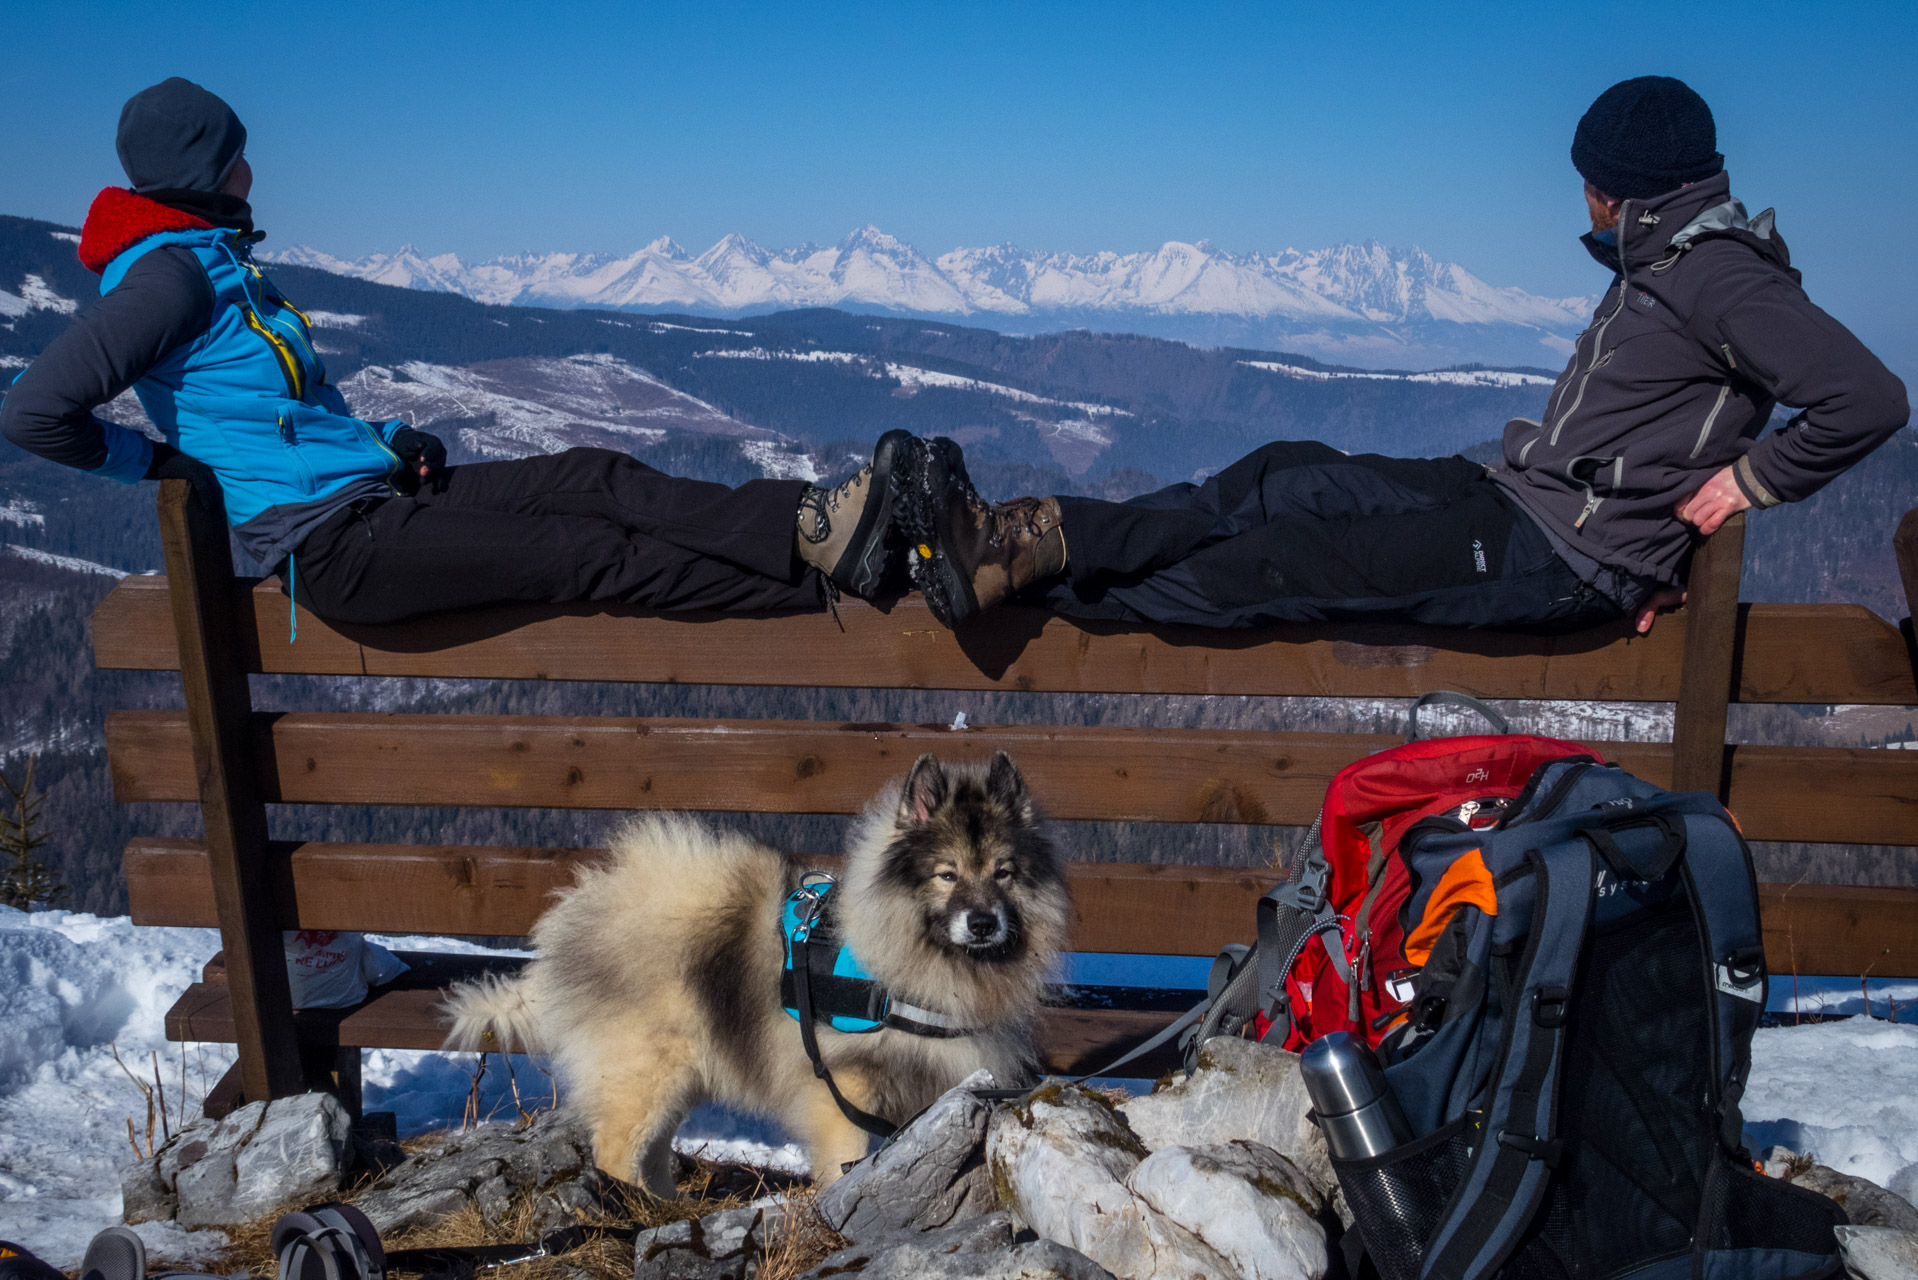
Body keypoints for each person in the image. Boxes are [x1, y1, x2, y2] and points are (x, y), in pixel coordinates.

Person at [903, 76, 1910, 635]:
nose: (1582, 203)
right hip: (1514, 498)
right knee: (1279, 472)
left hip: (1554, 555)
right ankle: (1029, 538)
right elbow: (1666, 429)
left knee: (1276, 562)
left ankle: (1032, 591)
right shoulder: (1670, 257)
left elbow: (1866, 399)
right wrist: (1672, 516)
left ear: (1621, 188)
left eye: (1588, 184)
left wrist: (1738, 487)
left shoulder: (1720, 274)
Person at [0, 79, 904, 625]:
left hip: (369, 498)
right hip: (336, 548)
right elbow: (34, 412)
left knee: (596, 475)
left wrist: (387, 434)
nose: (252, 169)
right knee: (584, 551)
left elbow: (282, 414)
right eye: (238, 156)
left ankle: (814, 528)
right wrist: (160, 463)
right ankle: (828, 596)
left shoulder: (215, 265)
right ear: (205, 172)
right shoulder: (170, 282)